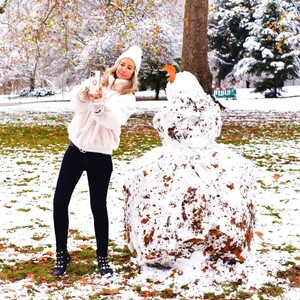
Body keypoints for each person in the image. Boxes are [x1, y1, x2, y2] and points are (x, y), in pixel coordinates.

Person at [52, 45, 142, 277]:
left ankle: (102, 258)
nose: (124, 69)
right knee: (60, 202)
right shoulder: (97, 83)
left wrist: (99, 104)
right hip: (75, 151)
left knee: (98, 207)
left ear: (133, 73)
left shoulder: (128, 98)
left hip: (100, 157)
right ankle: (62, 253)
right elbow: (76, 106)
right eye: (122, 64)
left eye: (130, 67)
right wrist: (83, 94)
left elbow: (113, 121)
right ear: (117, 64)